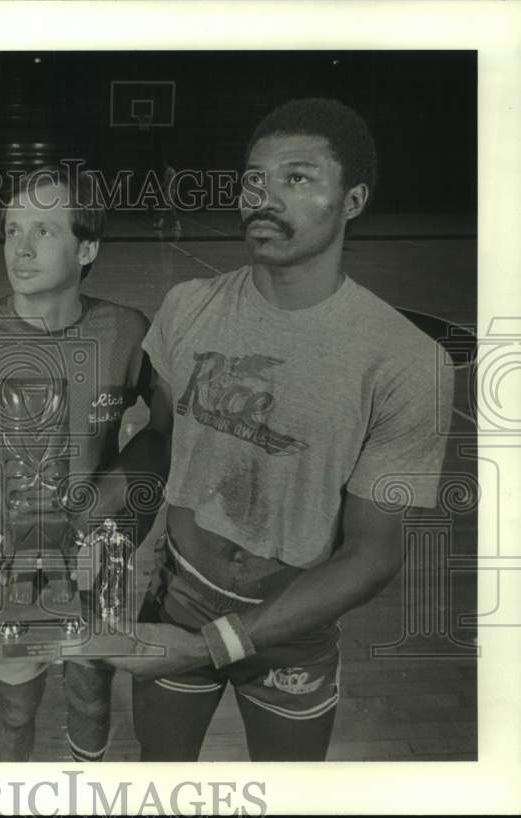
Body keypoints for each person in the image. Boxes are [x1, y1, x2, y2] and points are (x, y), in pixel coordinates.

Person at [104, 98, 454, 761]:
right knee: (160, 777)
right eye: (253, 179)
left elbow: (375, 553)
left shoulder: (407, 362)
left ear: (352, 201)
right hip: (176, 597)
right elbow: (161, 439)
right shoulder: (189, 306)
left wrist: (221, 643)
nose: (264, 197)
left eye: (296, 178)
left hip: (292, 621)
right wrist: (87, 503)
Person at [0, 165, 153, 762]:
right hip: (7, 558)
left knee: (89, 696)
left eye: (44, 231)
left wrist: (118, 522)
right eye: (11, 230)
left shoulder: (128, 332)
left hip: (92, 556)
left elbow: (166, 434)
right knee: (14, 708)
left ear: (87, 247)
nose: (20, 248)